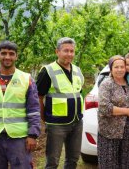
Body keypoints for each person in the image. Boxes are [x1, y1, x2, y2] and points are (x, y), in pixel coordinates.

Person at [0, 40, 41, 169]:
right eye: (3, 53)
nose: (7, 57)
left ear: (16, 56)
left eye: (11, 54)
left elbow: (34, 110)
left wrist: (33, 135)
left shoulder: (26, 79)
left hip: (19, 137)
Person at [36, 37, 84, 169]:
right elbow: (38, 97)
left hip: (77, 122)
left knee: (73, 159)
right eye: (65, 50)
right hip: (56, 124)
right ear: (57, 52)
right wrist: (44, 119)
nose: (69, 54)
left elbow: (78, 93)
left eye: (72, 51)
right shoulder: (48, 71)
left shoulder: (77, 70)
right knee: (52, 162)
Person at [97, 55, 129, 169]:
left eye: (122, 67)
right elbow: (104, 107)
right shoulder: (106, 84)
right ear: (111, 69)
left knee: (128, 164)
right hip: (109, 133)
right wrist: (127, 111)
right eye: (116, 67)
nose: (119, 69)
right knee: (109, 165)